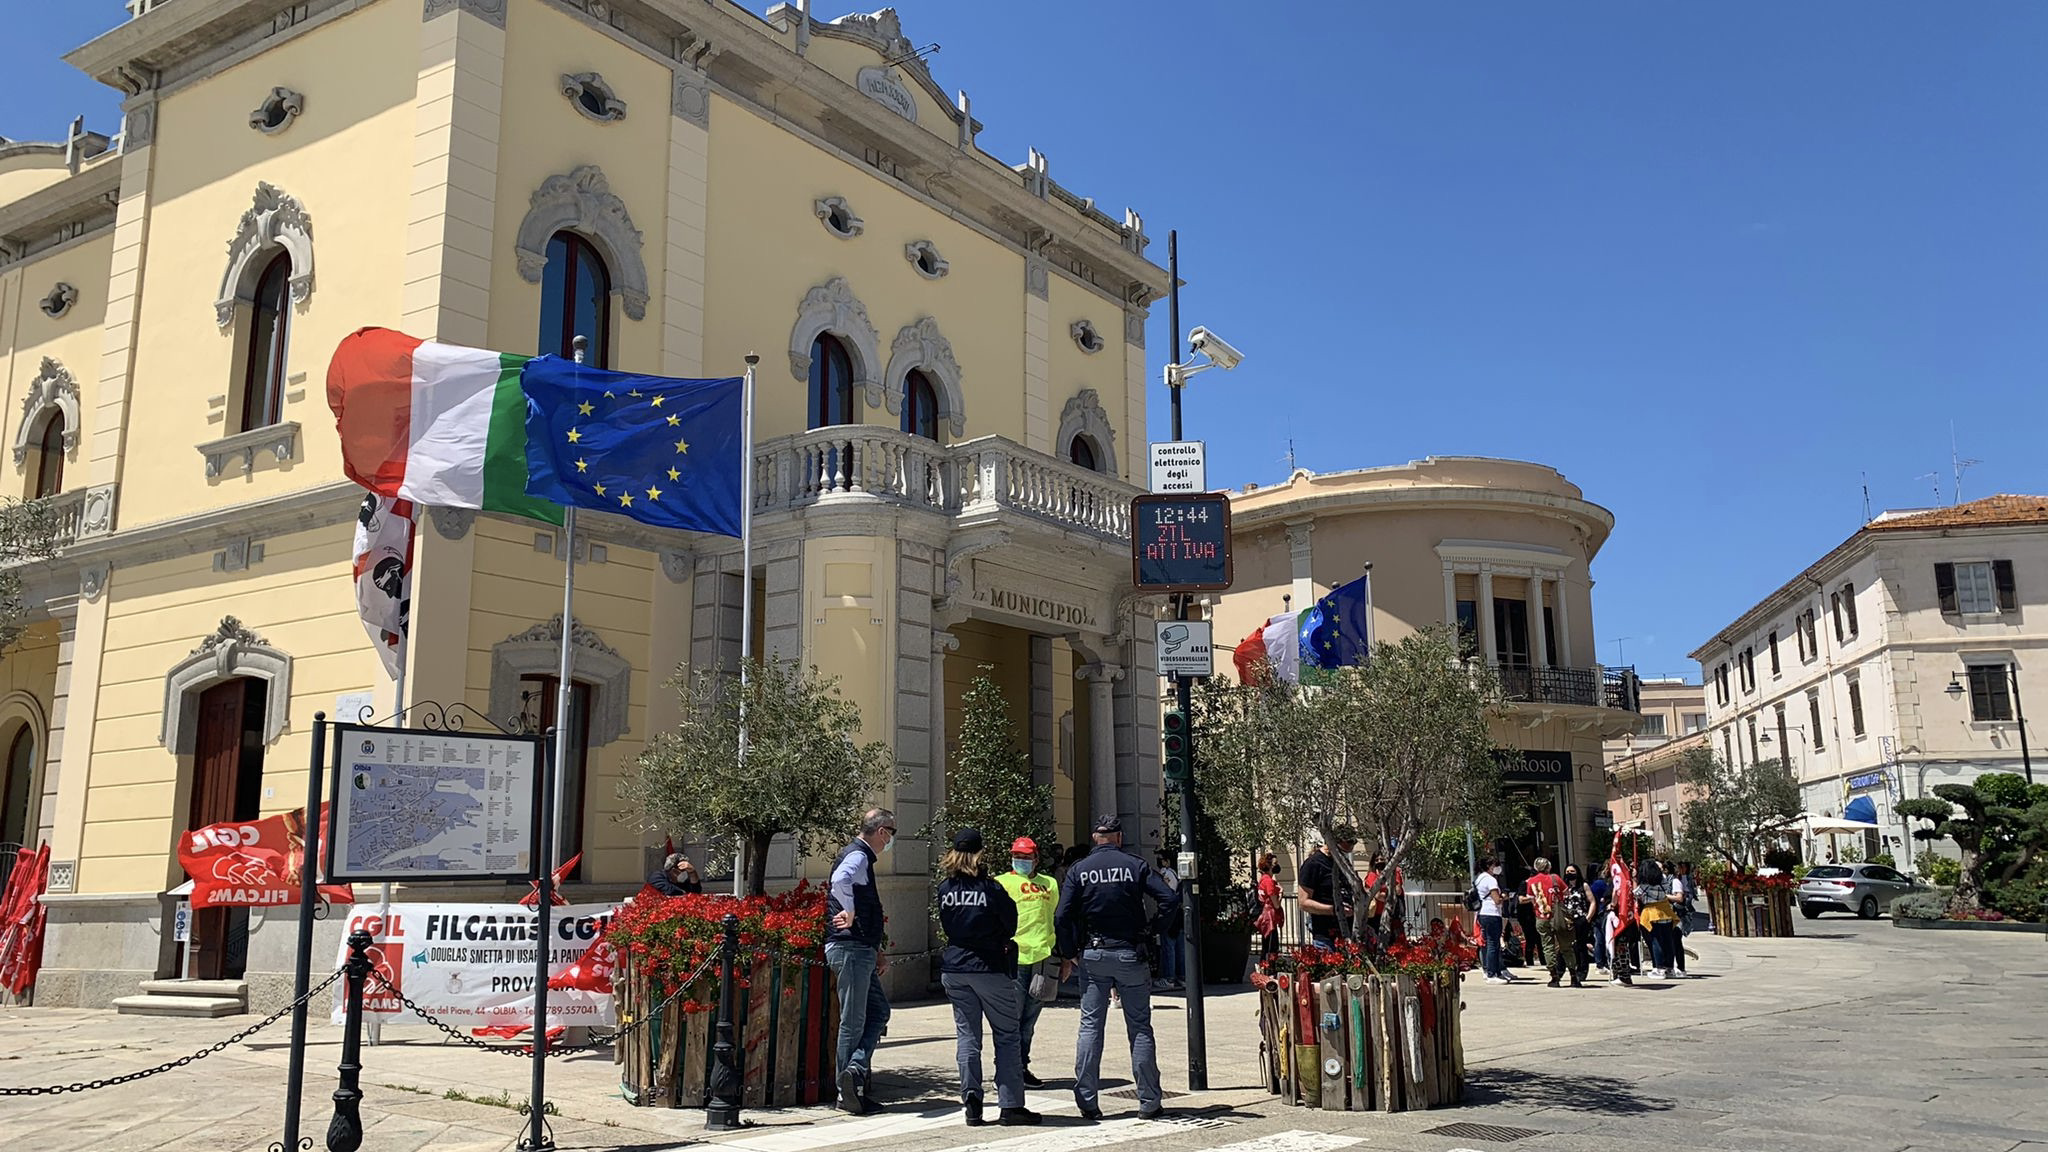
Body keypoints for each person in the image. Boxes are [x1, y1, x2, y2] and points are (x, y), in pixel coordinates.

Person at [1055, 813, 1181, 1121]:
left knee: (1090, 1026)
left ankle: (1086, 1099)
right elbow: (1169, 899)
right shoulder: (1134, 865)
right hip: (1129, 953)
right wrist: (1153, 929)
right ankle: (1149, 1100)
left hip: (1094, 954)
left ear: (1096, 837)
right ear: (1119, 837)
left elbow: (1062, 915)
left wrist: (1070, 952)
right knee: (1139, 1027)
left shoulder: (1079, 870)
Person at [938, 827, 1040, 1127]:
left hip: (955, 968)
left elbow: (946, 925)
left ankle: (972, 1102)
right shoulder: (991, 889)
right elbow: (1009, 924)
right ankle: (1010, 1106)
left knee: (968, 1037)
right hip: (989, 968)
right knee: (1007, 1036)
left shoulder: (945, 889)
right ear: (980, 853)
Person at [826, 808, 896, 1114]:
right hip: (850, 948)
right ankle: (846, 1092)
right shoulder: (858, 855)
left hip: (860, 949)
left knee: (879, 1011)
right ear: (882, 832)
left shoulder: (859, 855)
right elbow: (840, 880)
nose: (892, 839)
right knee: (852, 1022)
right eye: (892, 833)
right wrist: (850, 910)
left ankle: (853, 1070)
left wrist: (876, 948)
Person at [996, 836, 1058, 1087]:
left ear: (1036, 859)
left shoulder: (1049, 884)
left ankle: (1021, 1065)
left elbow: (1054, 917)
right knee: (1012, 1018)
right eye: (1017, 856)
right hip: (1015, 958)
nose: (1020, 860)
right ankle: (1006, 1069)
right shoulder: (1001, 882)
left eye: (1026, 856)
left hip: (1042, 957)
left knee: (1029, 1020)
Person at [1297, 825, 1358, 948]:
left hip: (1348, 934)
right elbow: (1303, 902)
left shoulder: (1343, 863)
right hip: (1325, 937)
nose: (1343, 855)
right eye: (1341, 851)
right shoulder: (1313, 864)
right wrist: (1335, 910)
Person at [1523, 857, 1567, 987]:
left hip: (1541, 916)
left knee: (1547, 947)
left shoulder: (1531, 881)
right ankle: (1573, 974)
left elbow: (1532, 900)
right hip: (1558, 916)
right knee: (1565, 945)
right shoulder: (1555, 878)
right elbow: (1566, 893)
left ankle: (1554, 976)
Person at [1637, 858, 1681, 980]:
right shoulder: (1663, 880)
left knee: (1655, 941)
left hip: (1652, 913)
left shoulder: (1645, 885)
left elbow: (1635, 893)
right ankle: (1669, 968)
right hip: (1666, 912)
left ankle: (1659, 968)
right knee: (1668, 941)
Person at [1474, 855, 1512, 983]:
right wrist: (1505, 897)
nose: (1497, 868)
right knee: (1493, 944)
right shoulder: (1490, 880)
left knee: (1490, 943)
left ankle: (1495, 971)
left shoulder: (1479, 878)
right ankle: (1492, 973)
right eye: (1495, 866)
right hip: (1492, 913)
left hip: (1482, 913)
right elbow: (1497, 900)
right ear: (1490, 867)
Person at [1151, 851, 1183, 990]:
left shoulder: (1167, 873)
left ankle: (1169, 978)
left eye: (1161, 859)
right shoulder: (1176, 873)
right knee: (1179, 947)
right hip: (1178, 914)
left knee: (1168, 946)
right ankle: (1181, 977)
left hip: (1170, 915)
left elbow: (1165, 894)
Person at [1559, 865, 1595, 987]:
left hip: (1580, 919)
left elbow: (1592, 901)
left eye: (1572, 871)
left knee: (1581, 946)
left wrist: (1588, 918)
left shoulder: (1583, 886)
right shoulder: (1563, 886)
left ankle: (1582, 971)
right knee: (1564, 946)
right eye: (1567, 871)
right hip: (1566, 920)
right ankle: (1561, 970)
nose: (1570, 873)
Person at [1363, 851, 1406, 943]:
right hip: (1376, 915)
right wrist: (1390, 892)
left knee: (1396, 940)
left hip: (1393, 913)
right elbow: (1378, 896)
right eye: (1377, 860)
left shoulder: (1394, 873)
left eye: (1382, 859)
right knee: (1378, 940)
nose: (1379, 862)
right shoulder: (1372, 875)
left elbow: (1398, 891)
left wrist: (1385, 893)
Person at [1253, 852, 1283, 964]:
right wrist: (1281, 895)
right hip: (1270, 916)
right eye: (1275, 863)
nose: (1277, 865)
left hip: (1264, 915)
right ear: (1270, 866)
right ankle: (1271, 969)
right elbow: (1276, 905)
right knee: (1272, 945)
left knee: (1265, 945)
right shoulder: (1269, 882)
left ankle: (1263, 967)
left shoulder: (1262, 880)